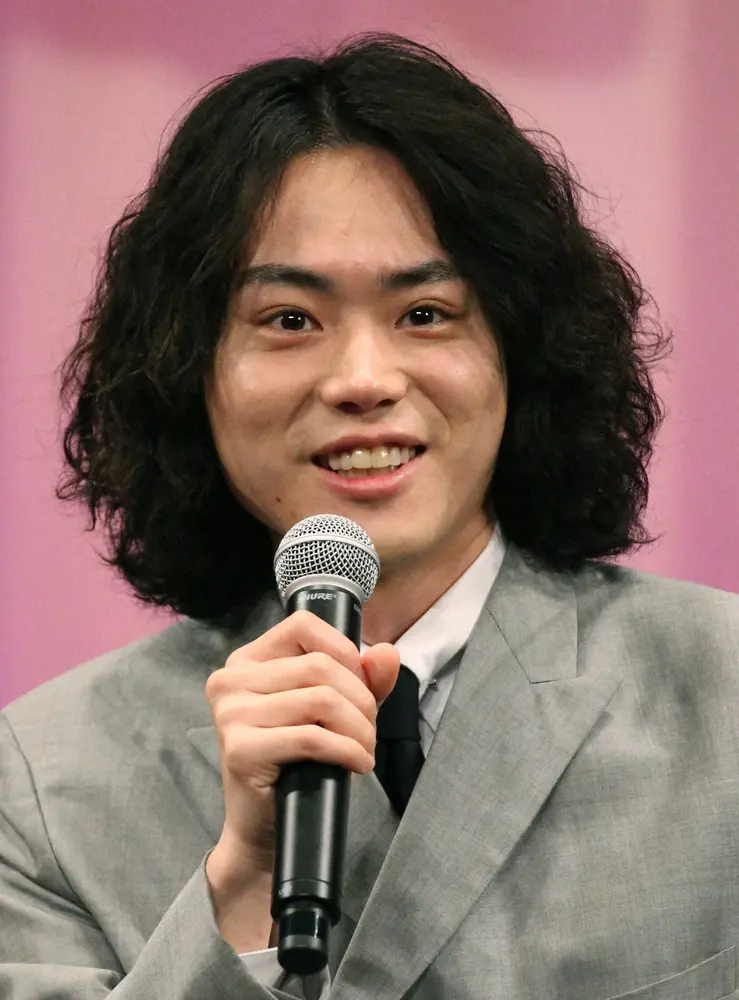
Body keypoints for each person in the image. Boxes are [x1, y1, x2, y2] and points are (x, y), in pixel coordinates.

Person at [1, 29, 738, 1000]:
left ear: (521, 349)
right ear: (186, 371)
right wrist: (239, 886)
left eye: (424, 313)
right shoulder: (40, 781)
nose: (362, 379)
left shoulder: (721, 693)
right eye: (289, 320)